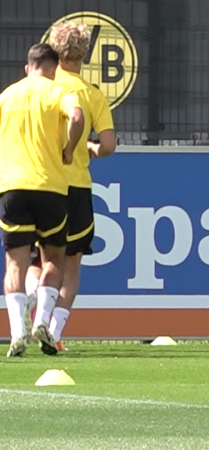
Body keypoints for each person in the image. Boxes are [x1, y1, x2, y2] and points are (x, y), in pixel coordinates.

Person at [23, 22, 117, 353]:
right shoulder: (91, 94)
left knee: (39, 258)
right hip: (76, 185)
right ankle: (53, 330)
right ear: (84, 53)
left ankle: (31, 301)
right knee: (71, 263)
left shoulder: (40, 85)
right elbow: (108, 145)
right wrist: (89, 148)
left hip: (43, 181)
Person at [0, 43, 85, 357]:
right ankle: (43, 321)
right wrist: (69, 149)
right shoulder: (59, 92)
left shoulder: (7, 96)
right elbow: (76, 117)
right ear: (54, 68)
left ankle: (17, 332)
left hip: (13, 188)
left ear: (27, 67)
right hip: (51, 188)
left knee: (15, 264)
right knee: (53, 260)